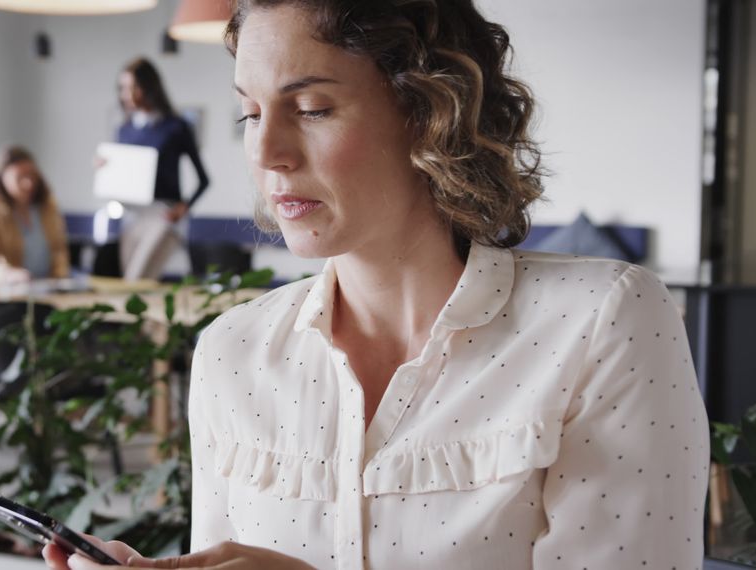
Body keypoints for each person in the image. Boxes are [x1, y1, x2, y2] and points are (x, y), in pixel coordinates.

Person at [46, 1, 709, 568]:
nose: (266, 150)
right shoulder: (231, 353)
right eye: (250, 113)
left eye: (310, 108)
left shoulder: (603, 322)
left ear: (430, 113)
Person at [107, 57, 209, 280]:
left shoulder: (175, 127)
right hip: (132, 216)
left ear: (150, 87)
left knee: (137, 279)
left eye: (134, 87)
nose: (128, 94)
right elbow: (122, 178)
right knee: (131, 287)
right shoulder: (124, 130)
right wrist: (106, 168)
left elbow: (203, 179)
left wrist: (184, 207)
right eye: (123, 88)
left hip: (163, 215)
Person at [0, 145, 70, 282]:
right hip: (10, 292)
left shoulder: (48, 208)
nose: (28, 183)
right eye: (19, 177)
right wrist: (8, 274)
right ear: (2, 179)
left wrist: (61, 276)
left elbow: (60, 250)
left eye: (32, 175)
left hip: (49, 289)